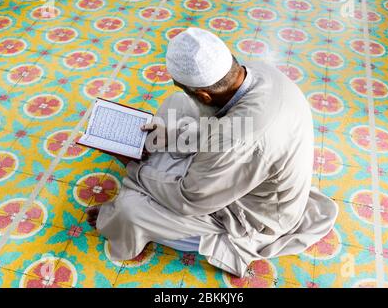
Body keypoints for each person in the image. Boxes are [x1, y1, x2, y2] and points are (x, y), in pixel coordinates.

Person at [86, 27, 338, 277]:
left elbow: (190, 200)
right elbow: (227, 124)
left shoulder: (236, 139)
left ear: (205, 95)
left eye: (181, 86)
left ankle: (135, 201)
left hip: (255, 215)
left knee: (131, 209)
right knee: (178, 104)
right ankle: (156, 167)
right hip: (250, 157)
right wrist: (172, 136)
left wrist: (136, 168)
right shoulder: (259, 71)